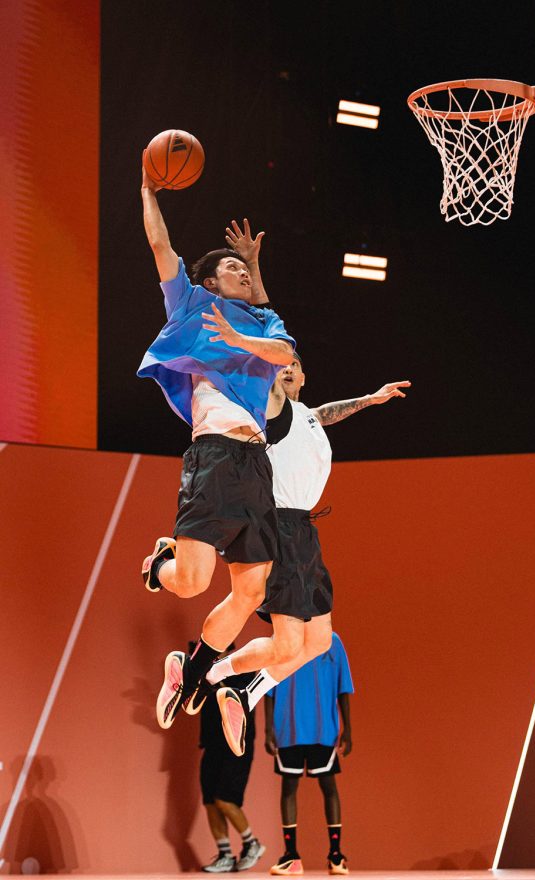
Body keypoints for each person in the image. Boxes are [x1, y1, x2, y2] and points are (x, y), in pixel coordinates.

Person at [138, 167, 295, 729]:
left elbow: (284, 356)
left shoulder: (264, 322)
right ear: (208, 281)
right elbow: (162, 247)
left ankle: (195, 671)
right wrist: (148, 190)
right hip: (214, 455)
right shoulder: (191, 305)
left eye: (244, 268)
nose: (241, 271)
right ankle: (163, 562)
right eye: (231, 267)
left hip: (255, 463)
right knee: (192, 583)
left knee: (251, 591)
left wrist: (242, 332)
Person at [193, 355, 409, 756]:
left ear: (305, 376)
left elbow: (324, 413)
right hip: (277, 526)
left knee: (319, 642)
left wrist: (370, 399)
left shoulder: (306, 416)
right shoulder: (268, 412)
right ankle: (214, 673)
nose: (288, 369)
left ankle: (243, 692)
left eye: (295, 364)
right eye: (282, 365)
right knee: (289, 643)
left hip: (305, 531)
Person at [264, 632, 354, 876]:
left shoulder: (332, 640)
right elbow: (268, 686)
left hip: (323, 728)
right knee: (288, 789)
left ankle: (336, 854)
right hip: (287, 727)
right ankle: (291, 855)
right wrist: (268, 728)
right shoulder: (280, 637)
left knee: (329, 787)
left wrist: (348, 729)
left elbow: (343, 686)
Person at [197, 642, 266, 872]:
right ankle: (225, 855)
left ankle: (252, 844)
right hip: (211, 744)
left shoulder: (242, 668)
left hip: (237, 744)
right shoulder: (204, 671)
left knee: (225, 799)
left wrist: (214, 675)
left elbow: (238, 699)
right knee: (210, 800)